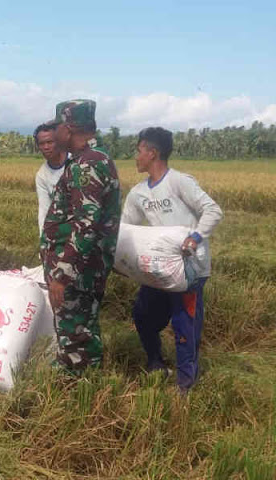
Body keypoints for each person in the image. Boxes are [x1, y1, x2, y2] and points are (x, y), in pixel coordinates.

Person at [122, 127, 223, 391]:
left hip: (189, 271)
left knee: (184, 327)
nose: (136, 156)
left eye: (139, 150)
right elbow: (125, 228)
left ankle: (185, 385)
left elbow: (212, 210)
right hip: (158, 270)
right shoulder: (138, 193)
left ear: (152, 153)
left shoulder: (179, 182)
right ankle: (156, 364)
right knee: (143, 316)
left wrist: (196, 238)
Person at [40, 99, 121, 374]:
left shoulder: (89, 163)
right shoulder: (89, 159)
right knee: (74, 333)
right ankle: (74, 381)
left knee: (77, 336)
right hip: (79, 268)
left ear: (69, 127)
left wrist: (62, 274)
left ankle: (80, 395)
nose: (53, 135)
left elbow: (86, 223)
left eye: (57, 127)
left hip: (78, 272)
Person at [34, 122, 69, 235]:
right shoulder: (42, 175)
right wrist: (43, 239)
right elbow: (44, 209)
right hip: (63, 227)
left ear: (59, 142)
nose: (46, 147)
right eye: (42, 143)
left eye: (50, 142)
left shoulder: (76, 161)